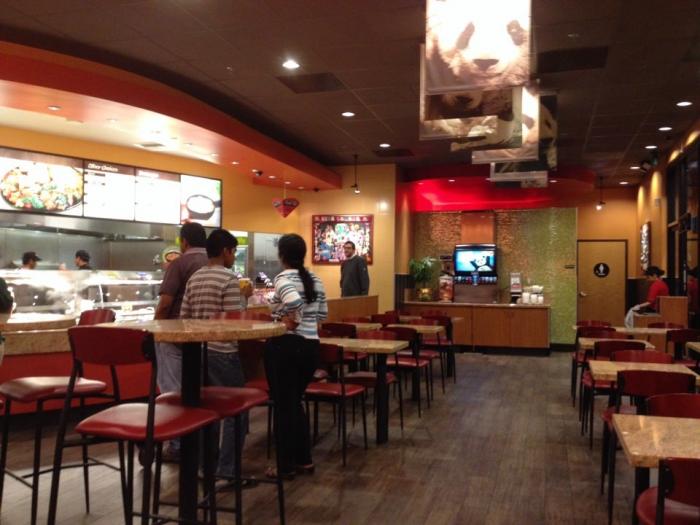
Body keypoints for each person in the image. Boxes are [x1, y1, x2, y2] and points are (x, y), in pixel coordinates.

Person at [180, 229, 246, 479]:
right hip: (223, 351)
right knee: (235, 412)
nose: (234, 257)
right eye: (234, 252)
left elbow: (184, 318)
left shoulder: (195, 278)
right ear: (225, 251)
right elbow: (233, 321)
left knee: (207, 410)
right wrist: (245, 299)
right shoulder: (229, 278)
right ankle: (228, 471)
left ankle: (205, 467)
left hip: (198, 352)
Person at [264, 233, 327, 478]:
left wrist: (289, 320)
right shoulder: (316, 279)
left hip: (286, 346)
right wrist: (303, 320)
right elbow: (322, 315)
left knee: (284, 406)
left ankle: (285, 467)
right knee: (294, 402)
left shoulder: (282, 278)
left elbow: (294, 303)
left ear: (281, 255)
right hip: (311, 347)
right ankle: (304, 460)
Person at [153, 222, 208, 460]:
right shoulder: (215, 263)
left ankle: (178, 444)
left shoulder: (180, 263)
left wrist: (156, 329)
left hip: (176, 332)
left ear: (184, 242)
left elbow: (165, 303)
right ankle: (199, 441)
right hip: (207, 335)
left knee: (172, 389)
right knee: (199, 390)